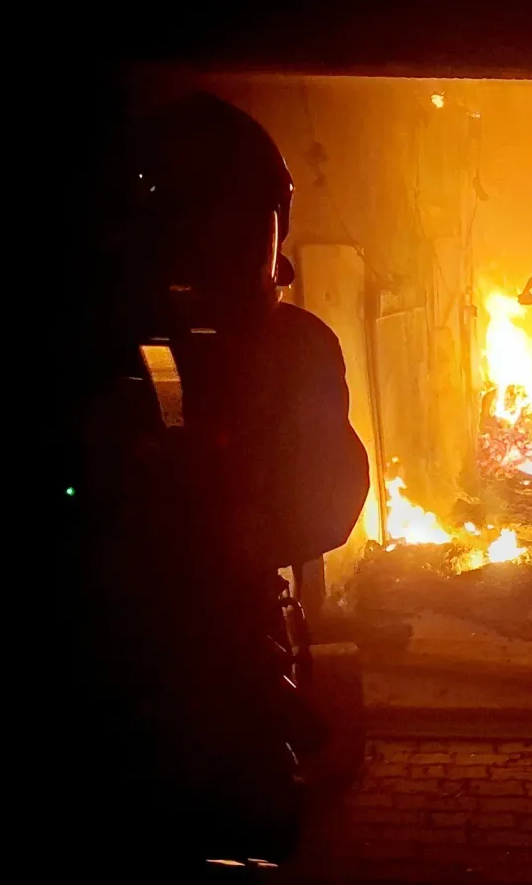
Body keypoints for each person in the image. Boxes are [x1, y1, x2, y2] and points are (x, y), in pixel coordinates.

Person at [69, 91, 369, 867]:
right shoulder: (274, 348)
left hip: (187, 662)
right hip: (158, 668)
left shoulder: (270, 350)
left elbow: (324, 502)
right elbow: (325, 505)